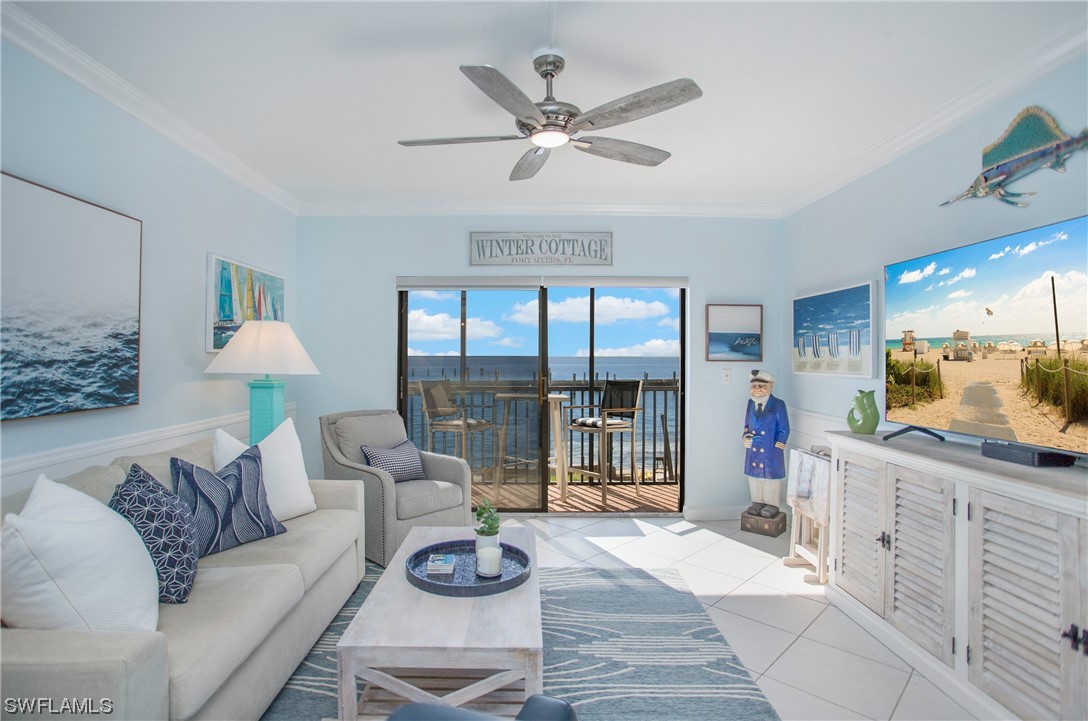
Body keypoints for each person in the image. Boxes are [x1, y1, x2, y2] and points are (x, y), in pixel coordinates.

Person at [742, 369, 790, 518]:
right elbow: (746, 425)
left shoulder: (778, 405)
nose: (757, 389)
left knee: (770, 479)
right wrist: (744, 437)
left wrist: (778, 448)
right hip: (753, 450)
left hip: (770, 451)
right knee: (754, 478)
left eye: (761, 386)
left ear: (770, 386)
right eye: (754, 386)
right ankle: (757, 502)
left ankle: (772, 504)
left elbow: (784, 429)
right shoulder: (750, 403)